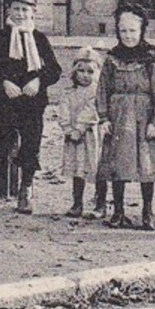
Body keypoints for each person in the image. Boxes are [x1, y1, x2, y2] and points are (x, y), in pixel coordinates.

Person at [0, 0, 62, 215]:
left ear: (33, 13)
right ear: (8, 11)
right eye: (16, 9)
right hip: (6, 102)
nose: (20, 14)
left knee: (30, 146)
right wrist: (3, 82)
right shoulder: (0, 37)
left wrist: (37, 80)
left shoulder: (40, 39)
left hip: (32, 104)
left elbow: (55, 70)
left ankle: (26, 191)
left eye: (25, 10)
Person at [95, 5, 155, 230]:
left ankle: (147, 212)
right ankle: (118, 211)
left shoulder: (151, 59)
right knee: (118, 164)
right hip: (118, 118)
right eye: (123, 31)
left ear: (142, 31)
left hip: (144, 117)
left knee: (146, 164)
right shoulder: (111, 59)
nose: (128, 36)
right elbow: (102, 90)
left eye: (133, 31)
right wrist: (104, 117)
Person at [56, 48, 104, 219]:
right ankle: (77, 203)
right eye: (81, 71)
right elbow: (63, 111)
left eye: (90, 71)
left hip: (92, 135)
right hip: (74, 138)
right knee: (77, 168)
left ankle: (100, 204)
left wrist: (80, 128)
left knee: (97, 167)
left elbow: (92, 110)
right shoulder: (69, 92)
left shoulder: (98, 91)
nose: (85, 75)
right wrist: (68, 129)